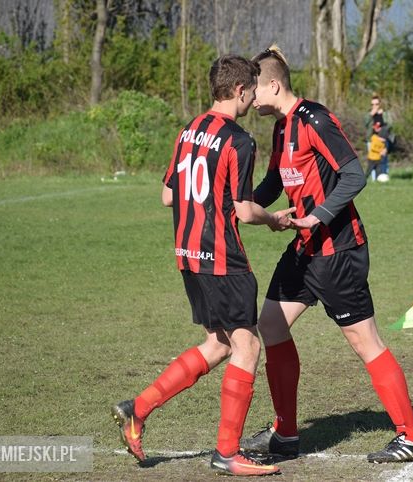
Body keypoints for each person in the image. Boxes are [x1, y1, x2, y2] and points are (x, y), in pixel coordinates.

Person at [239, 45, 413, 464]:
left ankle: (412, 437)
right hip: (305, 250)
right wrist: (241, 204)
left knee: (366, 342)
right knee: (271, 325)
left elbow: (353, 173)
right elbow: (274, 183)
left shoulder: (315, 119)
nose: (250, 98)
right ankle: (286, 434)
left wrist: (319, 216)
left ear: (273, 85)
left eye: (254, 89)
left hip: (339, 250)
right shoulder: (280, 128)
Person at [110, 54, 295, 477]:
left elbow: (168, 196)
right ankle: (228, 452)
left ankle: (137, 409)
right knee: (246, 346)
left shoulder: (188, 130)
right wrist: (276, 219)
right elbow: (245, 211)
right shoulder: (239, 140)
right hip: (223, 258)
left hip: (189, 256)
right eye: (250, 88)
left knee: (220, 344)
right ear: (239, 91)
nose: (251, 96)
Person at [364, 93, 393, 181]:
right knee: (372, 160)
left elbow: (390, 124)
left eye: (376, 104)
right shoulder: (369, 114)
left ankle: (384, 177)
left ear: (380, 104)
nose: (374, 106)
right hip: (372, 140)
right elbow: (365, 123)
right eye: (372, 104)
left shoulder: (385, 113)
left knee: (383, 159)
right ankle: (374, 179)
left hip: (382, 140)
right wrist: (371, 115)